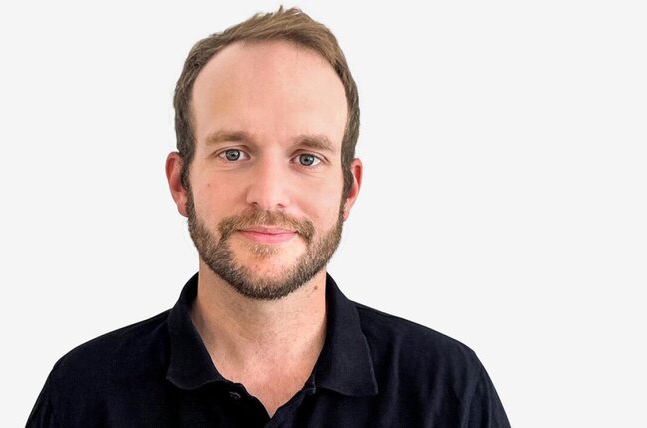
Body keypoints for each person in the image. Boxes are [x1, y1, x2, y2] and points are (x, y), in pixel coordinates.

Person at [26, 7, 510, 427]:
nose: (269, 195)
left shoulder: (448, 391)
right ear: (180, 183)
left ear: (349, 189)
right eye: (234, 153)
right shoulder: (83, 395)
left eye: (307, 158)